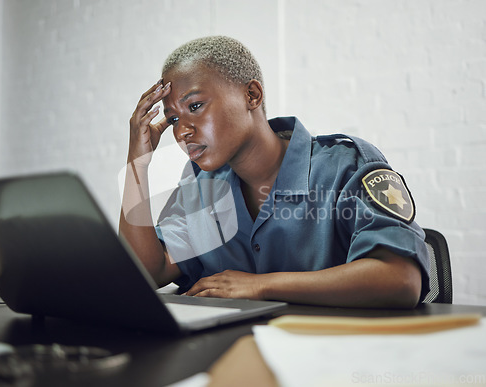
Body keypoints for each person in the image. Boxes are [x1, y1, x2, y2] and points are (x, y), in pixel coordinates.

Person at [119, 36, 429, 308]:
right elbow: (146, 272)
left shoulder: (345, 166)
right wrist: (138, 163)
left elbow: (401, 279)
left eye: (196, 106)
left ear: (252, 95)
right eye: (173, 119)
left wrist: (260, 286)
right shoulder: (201, 188)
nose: (183, 131)